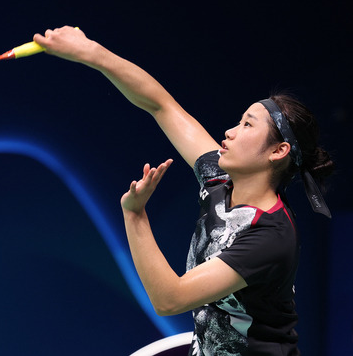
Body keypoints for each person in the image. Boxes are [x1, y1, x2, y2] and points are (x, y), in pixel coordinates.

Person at [33, 26, 334, 355]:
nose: (229, 132)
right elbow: (161, 105)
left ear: (278, 151)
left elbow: (169, 299)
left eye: (247, 125)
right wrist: (91, 52)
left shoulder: (270, 236)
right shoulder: (219, 181)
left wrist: (134, 215)